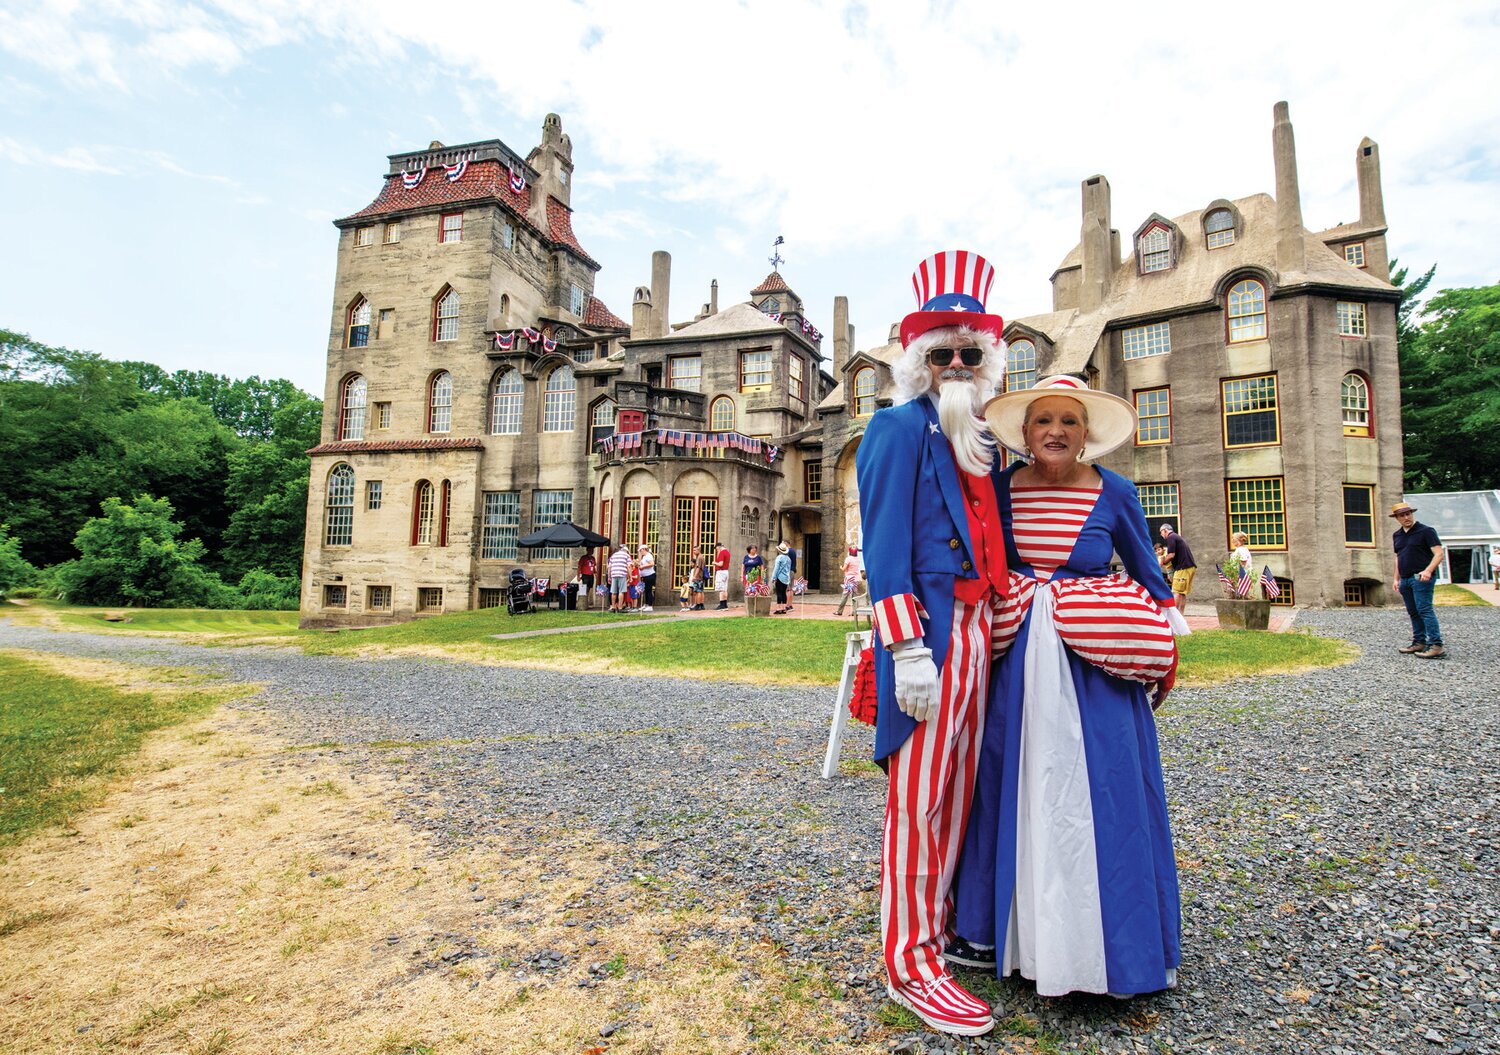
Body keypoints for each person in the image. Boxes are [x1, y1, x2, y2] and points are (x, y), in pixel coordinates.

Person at [950, 374, 1190, 1002]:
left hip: (1096, 664)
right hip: (1017, 661)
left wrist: (1161, 651)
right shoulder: (998, 491)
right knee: (1010, 781)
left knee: (1105, 787)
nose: (1055, 431)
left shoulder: (1116, 491)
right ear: (1024, 433)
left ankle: (1112, 943)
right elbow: (974, 564)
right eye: (1043, 420)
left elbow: (1149, 574)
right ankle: (1000, 931)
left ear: (1087, 434)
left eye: (1069, 421)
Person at [855, 250, 1011, 1036]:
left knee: (960, 796)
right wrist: (906, 649)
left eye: (969, 352)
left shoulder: (985, 438)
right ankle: (909, 962)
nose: (956, 363)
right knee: (918, 804)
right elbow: (883, 547)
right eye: (942, 352)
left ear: (987, 361)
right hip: (931, 638)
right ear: (918, 362)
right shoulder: (893, 427)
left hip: (982, 632)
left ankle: (943, 926)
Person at [1391, 501, 1446, 659]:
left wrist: (1428, 570)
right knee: (1413, 612)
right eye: (1402, 515)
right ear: (1397, 518)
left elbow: (1439, 554)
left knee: (1425, 610)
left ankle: (1436, 645)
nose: (1406, 517)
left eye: (1408, 514)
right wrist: (1396, 579)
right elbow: (1398, 558)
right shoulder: (1397, 535)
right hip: (1406, 579)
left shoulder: (1426, 531)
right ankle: (1419, 642)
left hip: (1421, 578)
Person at [1159, 522, 1197, 614]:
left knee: (1176, 591)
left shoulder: (1171, 537)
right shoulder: (1177, 537)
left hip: (1182, 568)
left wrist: (1162, 562)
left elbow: (1171, 555)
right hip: (1190, 567)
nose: (1161, 535)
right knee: (1182, 593)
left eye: (1161, 532)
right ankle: (1180, 615)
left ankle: (1175, 615)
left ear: (1165, 530)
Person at [835, 545, 866, 616]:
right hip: (856, 579)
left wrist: (841, 567)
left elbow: (844, 569)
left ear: (849, 552)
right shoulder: (858, 559)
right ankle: (854, 612)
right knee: (855, 595)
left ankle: (839, 611)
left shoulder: (848, 559)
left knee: (845, 595)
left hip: (849, 579)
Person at [770, 541, 794, 615]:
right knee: (784, 593)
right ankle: (784, 608)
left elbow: (776, 568)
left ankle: (778, 608)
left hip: (779, 577)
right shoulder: (788, 559)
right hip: (786, 578)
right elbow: (788, 569)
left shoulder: (779, 558)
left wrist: (773, 577)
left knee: (779, 592)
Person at [607, 543, 631, 613]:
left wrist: (609, 577)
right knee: (621, 591)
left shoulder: (613, 555)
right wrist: (630, 577)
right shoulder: (626, 555)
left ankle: (613, 607)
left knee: (613, 592)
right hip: (622, 574)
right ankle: (620, 607)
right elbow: (629, 566)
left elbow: (609, 567)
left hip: (614, 574)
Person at [1229, 530, 1254, 596]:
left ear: (1238, 540)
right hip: (1239, 576)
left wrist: (1236, 575)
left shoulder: (1241, 550)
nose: (1232, 540)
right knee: (1238, 594)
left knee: (1240, 594)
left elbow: (1243, 563)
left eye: (1233, 539)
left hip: (1241, 576)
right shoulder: (1240, 549)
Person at [637, 544, 656, 612]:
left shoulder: (648, 555)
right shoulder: (644, 556)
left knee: (649, 590)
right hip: (645, 575)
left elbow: (652, 564)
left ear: (644, 549)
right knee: (646, 590)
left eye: (641, 550)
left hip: (649, 575)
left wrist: (643, 567)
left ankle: (650, 605)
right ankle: (646, 604)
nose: (640, 552)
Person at [714, 539, 732, 610]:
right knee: (725, 589)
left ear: (718, 547)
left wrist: (714, 563)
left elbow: (720, 564)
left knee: (721, 589)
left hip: (721, 572)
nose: (716, 551)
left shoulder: (722, 552)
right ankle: (725, 604)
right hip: (726, 571)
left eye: (716, 549)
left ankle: (722, 605)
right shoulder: (727, 552)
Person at [688, 545, 706, 612]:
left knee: (697, 592)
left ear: (698, 550)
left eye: (695, 550)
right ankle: (701, 605)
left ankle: (698, 604)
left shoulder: (699, 558)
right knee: (701, 591)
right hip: (700, 577)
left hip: (698, 577)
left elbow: (698, 568)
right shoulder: (701, 557)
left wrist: (694, 576)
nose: (694, 552)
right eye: (693, 550)